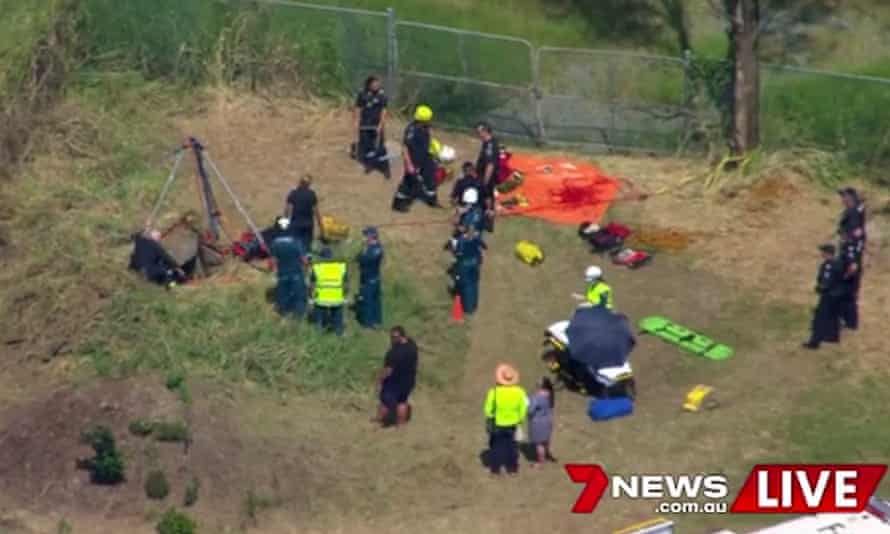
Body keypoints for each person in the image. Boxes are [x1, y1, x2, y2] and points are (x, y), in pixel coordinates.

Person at [483, 363, 528, 477]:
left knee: (496, 447)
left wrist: (491, 416)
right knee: (512, 447)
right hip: (513, 423)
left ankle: (495, 470)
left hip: (498, 424)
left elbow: (487, 410)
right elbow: (524, 407)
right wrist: (520, 419)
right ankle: (512, 469)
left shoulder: (494, 392)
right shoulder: (520, 392)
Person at [393, 105, 439, 211]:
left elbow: (428, 140)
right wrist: (409, 164)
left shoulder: (426, 127)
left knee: (431, 178)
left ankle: (432, 200)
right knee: (409, 182)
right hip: (413, 159)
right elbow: (405, 147)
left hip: (426, 158)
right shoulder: (411, 130)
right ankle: (398, 203)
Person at [373, 326, 419, 427]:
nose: (392, 340)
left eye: (393, 337)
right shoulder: (412, 345)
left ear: (400, 337)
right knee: (402, 401)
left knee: (385, 400)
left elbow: (388, 371)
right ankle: (401, 423)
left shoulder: (393, 353)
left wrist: (379, 381)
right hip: (409, 380)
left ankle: (380, 420)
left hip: (394, 382)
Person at [803, 244, 844, 350]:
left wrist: (821, 288)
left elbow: (827, 281)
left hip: (829, 296)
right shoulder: (836, 263)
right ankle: (832, 337)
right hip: (835, 295)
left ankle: (814, 342)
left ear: (827, 253)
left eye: (823, 251)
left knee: (820, 319)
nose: (821, 253)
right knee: (832, 317)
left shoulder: (830, 265)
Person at [268, 217, 308, 318]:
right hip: (296, 275)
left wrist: (270, 270)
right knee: (299, 298)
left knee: (283, 299)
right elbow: (304, 260)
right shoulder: (296, 242)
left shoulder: (274, 243)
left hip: (282, 275)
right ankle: (298, 318)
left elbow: (272, 263)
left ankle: (284, 316)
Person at [353, 75, 390, 178]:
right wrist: (356, 120)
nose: (376, 85)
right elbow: (358, 107)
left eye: (377, 83)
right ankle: (369, 165)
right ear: (369, 84)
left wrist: (380, 125)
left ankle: (385, 169)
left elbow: (384, 111)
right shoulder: (362, 94)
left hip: (376, 125)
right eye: (374, 83)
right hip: (365, 125)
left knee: (381, 147)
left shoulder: (382, 95)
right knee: (366, 146)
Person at [450, 223, 487, 315]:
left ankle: (468, 308)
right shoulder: (476, 238)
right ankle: (474, 306)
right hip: (475, 264)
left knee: (466, 286)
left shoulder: (461, 241)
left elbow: (457, 253)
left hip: (465, 266)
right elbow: (484, 247)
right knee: (474, 285)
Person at [310, 247, 348, 336]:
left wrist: (311, 296)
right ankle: (338, 333)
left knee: (319, 318)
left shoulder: (317, 267)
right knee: (337, 318)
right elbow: (345, 284)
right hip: (336, 298)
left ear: (321, 257)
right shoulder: (340, 267)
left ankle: (318, 333)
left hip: (321, 298)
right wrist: (344, 295)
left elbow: (312, 283)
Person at [285, 175, 323, 252]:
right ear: (309, 185)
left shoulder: (293, 193)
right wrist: (321, 226)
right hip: (308, 225)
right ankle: (306, 260)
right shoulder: (311, 194)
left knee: (295, 246)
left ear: (300, 183)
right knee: (307, 247)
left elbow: (287, 211)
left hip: (295, 224)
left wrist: (284, 225)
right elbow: (316, 212)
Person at [355, 226, 384, 329]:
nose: (363, 237)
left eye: (365, 235)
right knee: (376, 300)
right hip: (375, 279)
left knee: (368, 301)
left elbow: (363, 259)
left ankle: (368, 324)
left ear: (371, 237)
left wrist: (362, 252)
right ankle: (377, 321)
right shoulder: (377, 247)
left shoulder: (373, 250)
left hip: (369, 280)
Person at [475, 122, 500, 233]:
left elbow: (490, 164)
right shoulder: (487, 143)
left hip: (487, 177)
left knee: (488, 198)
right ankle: (484, 220)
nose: (478, 134)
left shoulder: (490, 145)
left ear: (485, 131)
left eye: (479, 132)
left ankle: (488, 222)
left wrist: (485, 180)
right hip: (483, 175)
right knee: (485, 198)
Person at [527, 377, 557, 467]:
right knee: (546, 441)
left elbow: (530, 410)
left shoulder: (536, 397)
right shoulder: (550, 394)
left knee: (539, 444)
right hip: (547, 421)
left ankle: (540, 462)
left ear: (542, 385)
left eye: (539, 380)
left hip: (537, 423)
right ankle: (547, 454)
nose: (537, 381)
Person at [838, 232, 862, 331]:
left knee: (849, 300)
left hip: (850, 279)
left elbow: (853, 266)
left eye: (842, 235)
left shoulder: (849, 247)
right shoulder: (849, 246)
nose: (840, 238)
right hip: (851, 277)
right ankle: (848, 322)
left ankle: (851, 323)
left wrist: (845, 276)